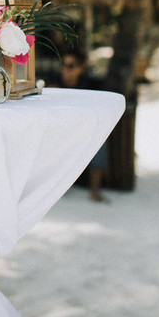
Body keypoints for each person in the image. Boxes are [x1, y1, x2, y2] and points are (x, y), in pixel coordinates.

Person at [57, 49, 109, 203]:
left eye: (70, 66)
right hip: (61, 132)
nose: (65, 70)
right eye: (63, 65)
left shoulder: (91, 87)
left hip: (85, 130)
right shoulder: (54, 84)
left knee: (100, 140)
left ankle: (95, 191)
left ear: (81, 68)